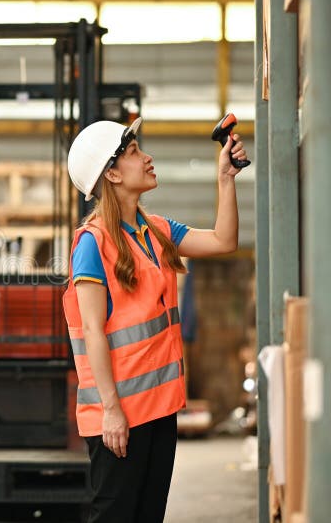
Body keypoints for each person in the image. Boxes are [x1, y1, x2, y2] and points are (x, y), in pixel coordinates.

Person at [62, 118, 246, 522]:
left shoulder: (156, 231)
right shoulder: (92, 244)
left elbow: (223, 241)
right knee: (114, 514)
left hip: (159, 409)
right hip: (119, 415)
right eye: (133, 153)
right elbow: (92, 330)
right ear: (111, 174)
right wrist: (111, 409)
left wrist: (226, 179)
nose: (147, 158)